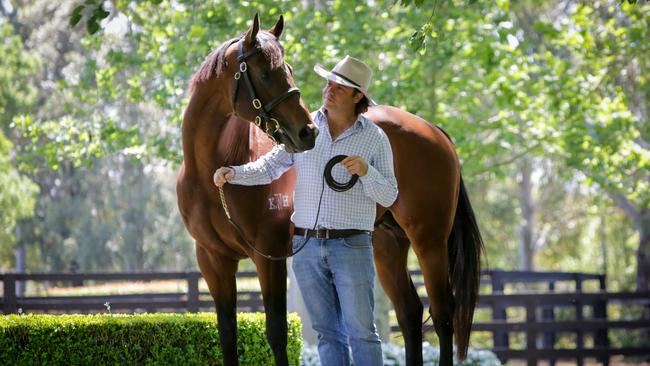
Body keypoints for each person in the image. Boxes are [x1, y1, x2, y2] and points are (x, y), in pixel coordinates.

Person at [214, 55, 398, 366]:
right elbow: (270, 167)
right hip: (306, 247)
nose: (330, 89)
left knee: (361, 331)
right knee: (327, 332)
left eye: (340, 86)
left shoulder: (374, 139)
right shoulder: (306, 129)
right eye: (329, 83)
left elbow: (390, 195)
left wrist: (367, 171)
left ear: (358, 96)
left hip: (351, 245)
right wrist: (234, 173)